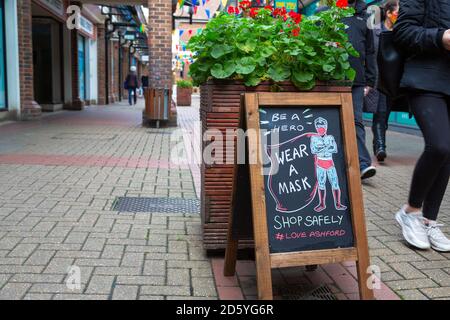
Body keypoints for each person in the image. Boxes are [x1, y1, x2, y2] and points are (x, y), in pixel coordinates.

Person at [393, 0, 450, 252]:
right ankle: (410, 211)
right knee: (438, 145)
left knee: (448, 153)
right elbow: (403, 32)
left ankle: (429, 220)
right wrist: (441, 37)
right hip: (426, 78)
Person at [340, 0, 378, 180]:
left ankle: (363, 164)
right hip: (332, 79)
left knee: (356, 121)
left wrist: (370, 80)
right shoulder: (329, 13)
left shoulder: (366, 17)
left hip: (357, 80)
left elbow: (370, 51)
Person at [371, 0, 399, 162]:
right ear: (388, 13)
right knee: (380, 113)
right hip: (376, 79)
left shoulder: (401, 32)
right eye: (397, 13)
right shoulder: (375, 30)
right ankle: (380, 146)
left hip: (391, 81)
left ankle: (378, 143)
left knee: (384, 114)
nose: (399, 16)